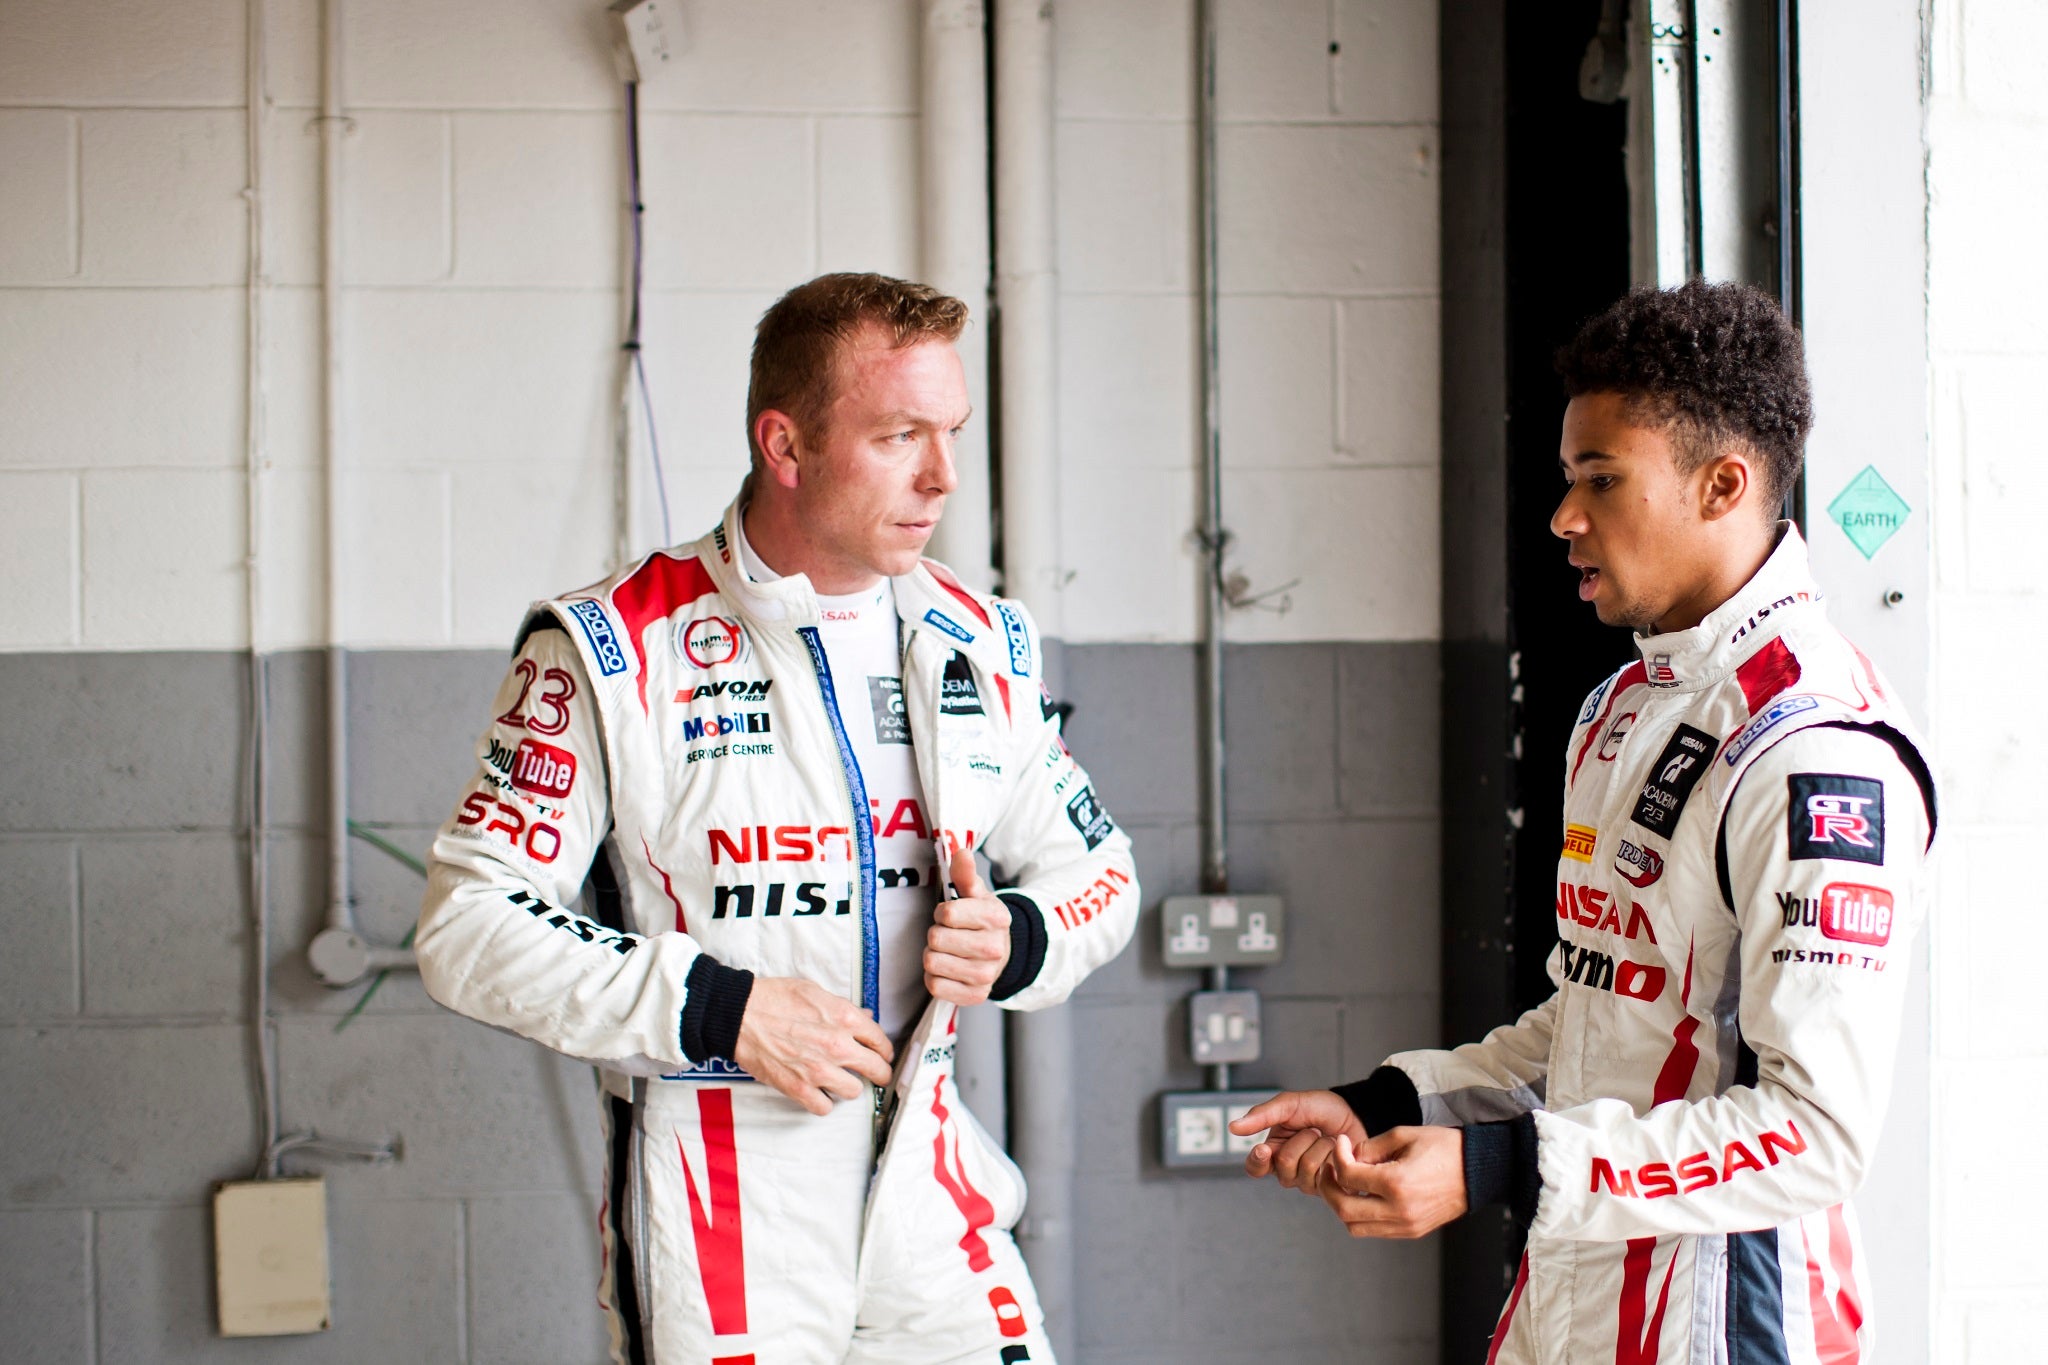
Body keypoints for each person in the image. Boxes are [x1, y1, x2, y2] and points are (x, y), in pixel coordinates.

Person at [415, 272, 1140, 1364]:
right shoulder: (611, 647)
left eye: (951, 432)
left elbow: (1102, 875)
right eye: (900, 436)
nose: (942, 477)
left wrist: (1022, 938)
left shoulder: (980, 637)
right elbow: (469, 927)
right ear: (785, 446)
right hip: (719, 1195)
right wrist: (721, 1009)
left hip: (932, 1184)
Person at [1230, 280, 1936, 1363]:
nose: (1563, 517)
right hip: (1572, 1300)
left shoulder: (1813, 751)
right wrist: (1381, 1101)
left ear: (1722, 484)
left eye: (1599, 481)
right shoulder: (1621, 708)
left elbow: (1812, 1135)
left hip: (1727, 1326)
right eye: (1567, 480)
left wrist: (1497, 1168)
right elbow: (1597, 1023)